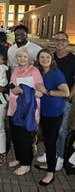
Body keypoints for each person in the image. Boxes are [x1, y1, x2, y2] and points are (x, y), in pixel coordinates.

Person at [37, 31, 75, 171]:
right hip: (47, 100)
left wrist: (69, 96)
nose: (60, 42)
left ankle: (59, 157)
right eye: (57, 39)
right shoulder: (50, 57)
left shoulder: (72, 59)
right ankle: (50, 154)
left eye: (63, 40)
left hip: (63, 100)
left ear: (67, 41)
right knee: (50, 131)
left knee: (61, 130)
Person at [34, 48, 69, 186]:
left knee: (50, 142)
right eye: (42, 57)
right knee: (48, 141)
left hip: (53, 113)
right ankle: (50, 164)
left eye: (47, 57)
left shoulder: (56, 73)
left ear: (51, 59)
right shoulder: (41, 72)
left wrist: (47, 91)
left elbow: (65, 92)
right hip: (44, 111)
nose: (45, 60)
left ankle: (50, 173)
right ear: (38, 59)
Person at [7, 47, 43, 176]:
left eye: (25, 57)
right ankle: (19, 158)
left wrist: (23, 91)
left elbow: (40, 93)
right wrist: (13, 88)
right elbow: (12, 84)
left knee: (24, 138)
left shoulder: (34, 71)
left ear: (30, 59)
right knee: (15, 135)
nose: (22, 59)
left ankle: (26, 164)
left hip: (27, 111)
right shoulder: (15, 69)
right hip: (14, 108)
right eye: (19, 56)